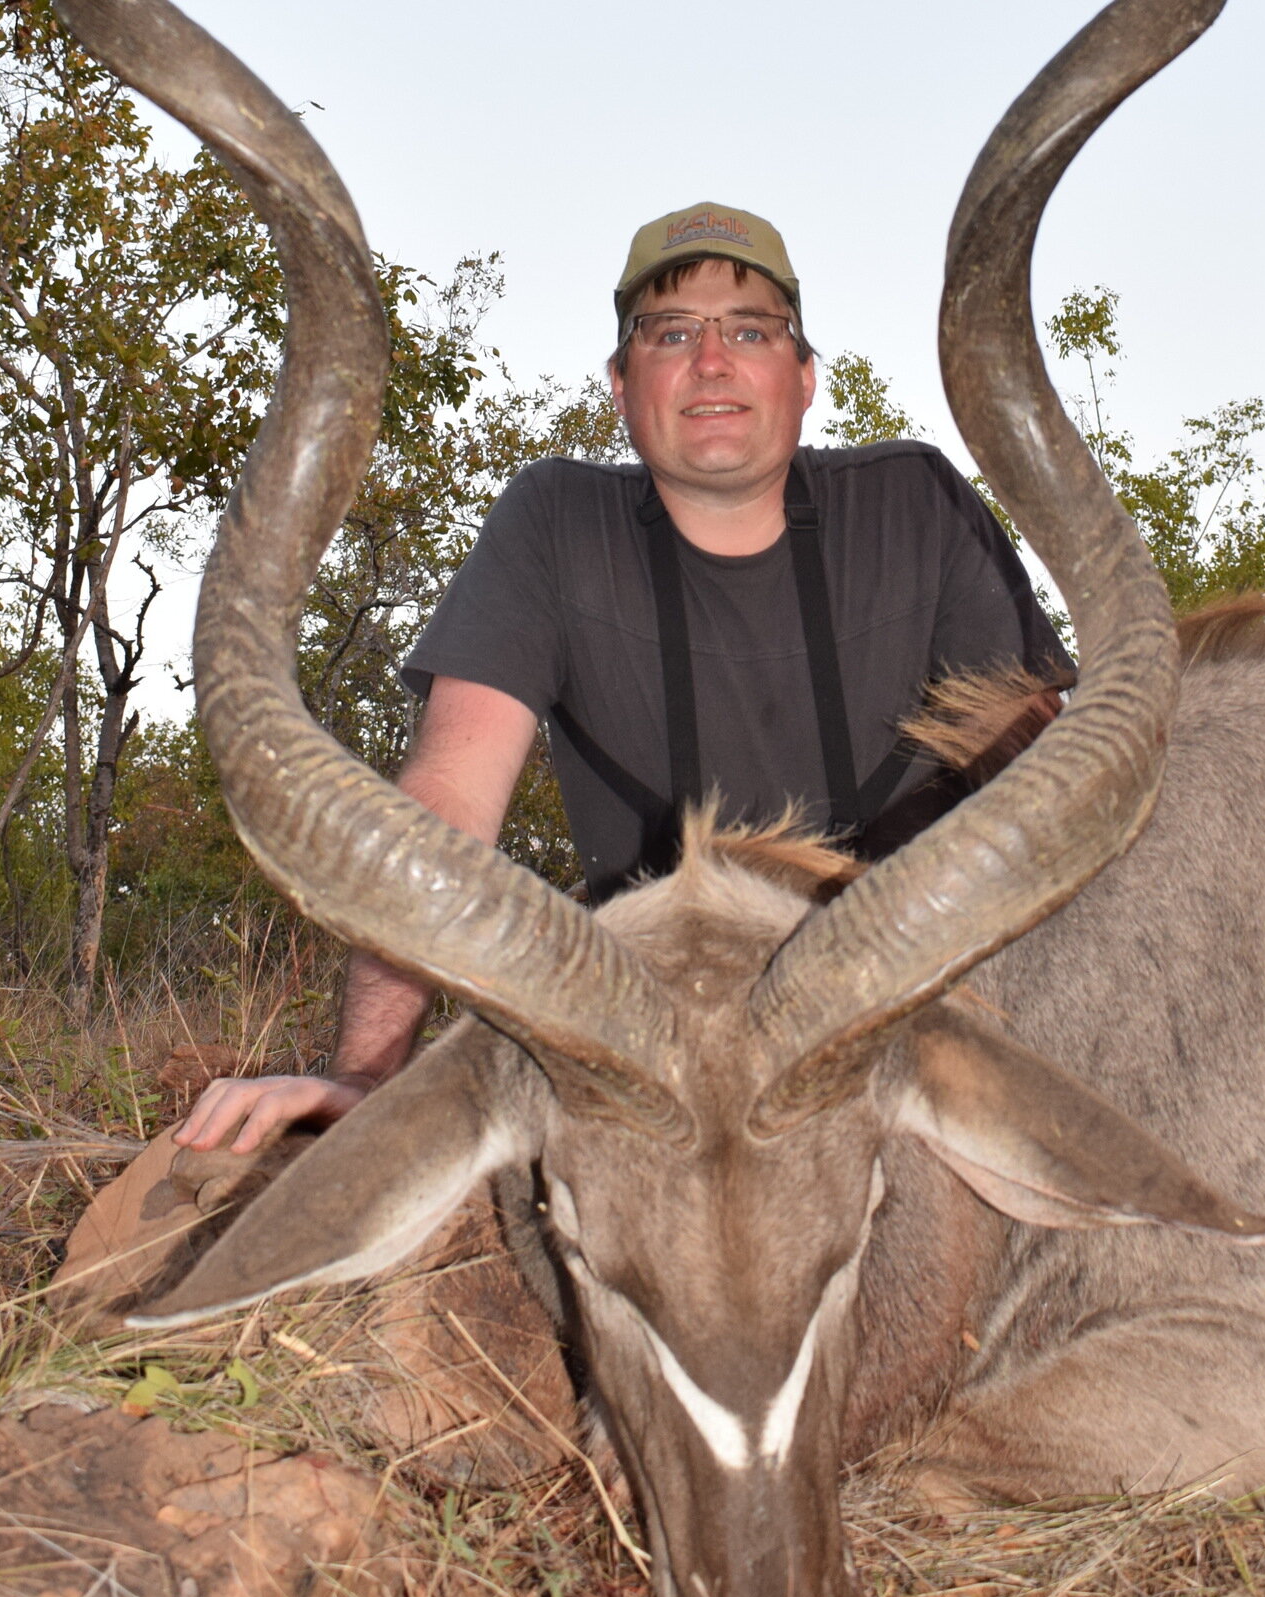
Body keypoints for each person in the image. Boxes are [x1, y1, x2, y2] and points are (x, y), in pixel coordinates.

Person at [176, 201, 1072, 1160]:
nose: (712, 360)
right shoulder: (554, 524)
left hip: (923, 1017)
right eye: (671, 332)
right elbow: (444, 805)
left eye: (752, 331)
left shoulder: (914, 503)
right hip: (664, 1054)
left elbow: (1042, 784)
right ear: (620, 382)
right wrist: (369, 1075)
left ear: (805, 377)